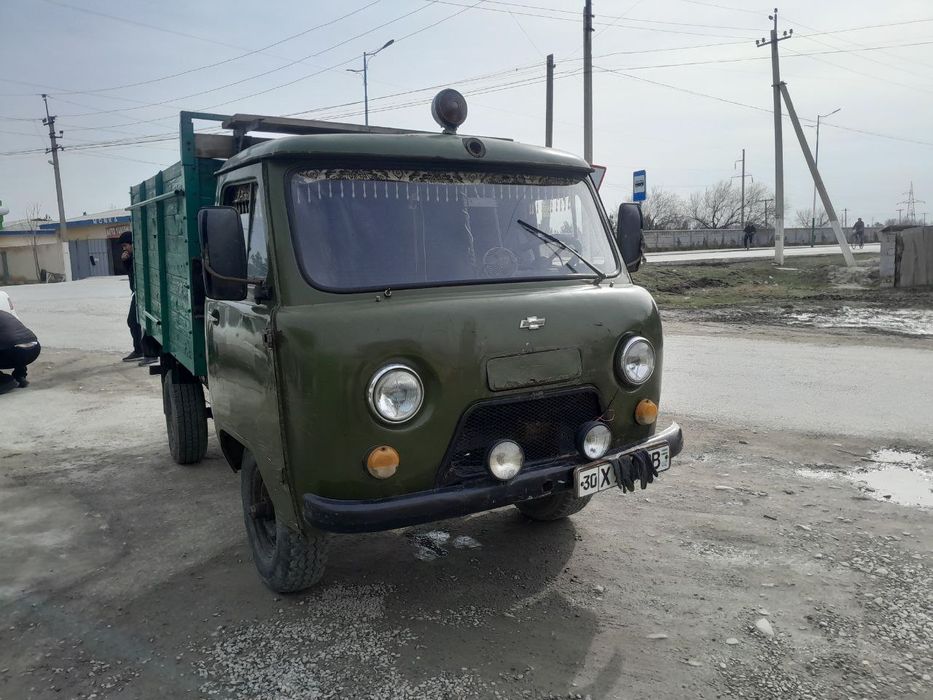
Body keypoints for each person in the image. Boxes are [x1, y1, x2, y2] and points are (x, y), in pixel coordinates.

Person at [118, 231, 158, 365]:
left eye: (125, 246)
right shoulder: (133, 257)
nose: (124, 249)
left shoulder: (141, 255)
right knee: (134, 321)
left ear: (132, 243)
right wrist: (126, 261)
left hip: (145, 292)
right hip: (138, 292)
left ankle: (148, 352)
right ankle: (140, 350)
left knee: (141, 322)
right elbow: (132, 274)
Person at [0, 305, 41, 394]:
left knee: (11, 346)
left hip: (15, 351)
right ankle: (20, 376)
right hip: (34, 349)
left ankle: (4, 381)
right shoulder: (4, 313)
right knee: (15, 345)